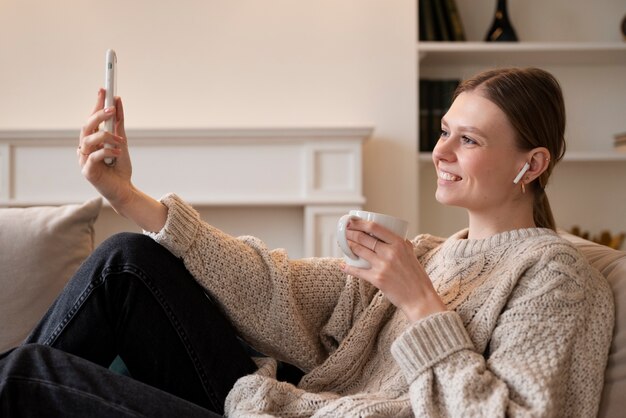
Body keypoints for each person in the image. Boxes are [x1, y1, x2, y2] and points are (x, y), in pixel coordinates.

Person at [0, 67, 615, 417]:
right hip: (275, 405)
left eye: (470, 141)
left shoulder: (555, 275)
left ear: (530, 164)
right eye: (444, 131)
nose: (442, 152)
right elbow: (277, 284)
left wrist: (421, 306)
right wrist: (127, 196)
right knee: (125, 261)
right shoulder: (428, 251)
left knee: (26, 374)